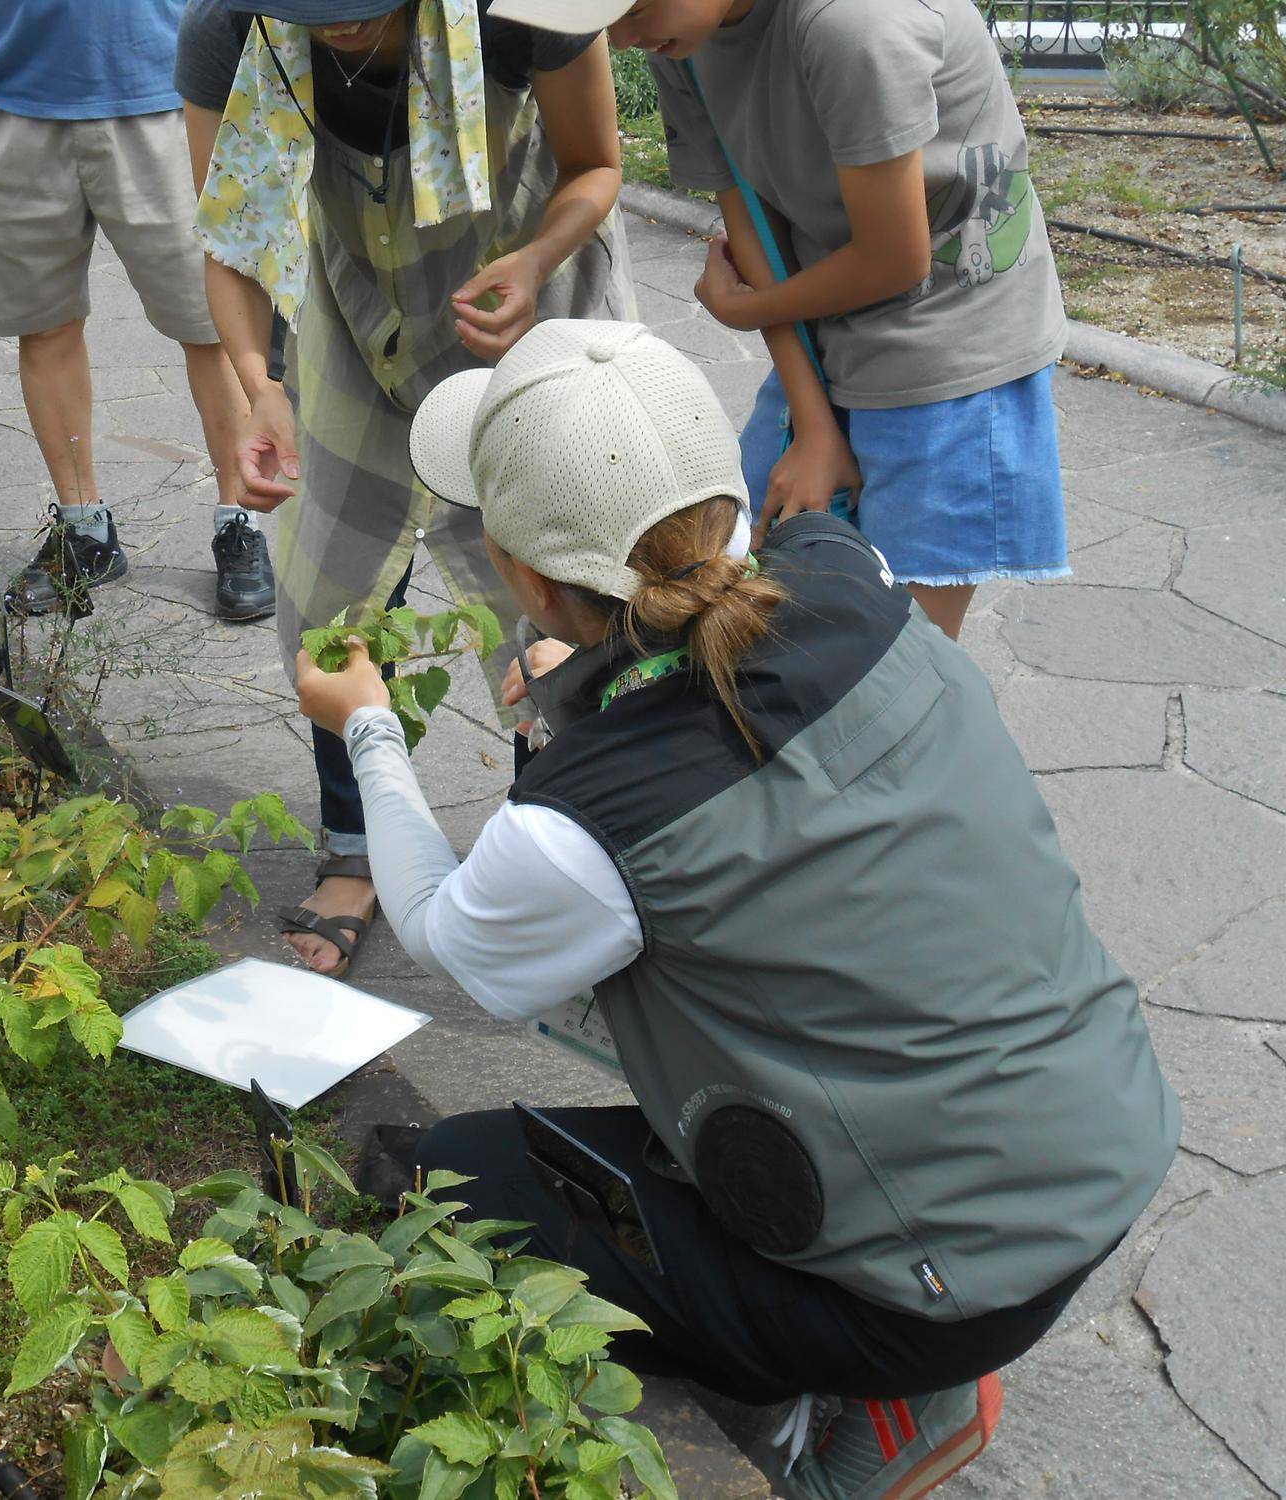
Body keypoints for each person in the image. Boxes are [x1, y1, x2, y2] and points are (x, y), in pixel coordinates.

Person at [294, 319, 1178, 1500]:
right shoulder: (848, 579)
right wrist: (582, 703)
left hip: (943, 1284)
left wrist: (363, 722)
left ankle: (880, 1400)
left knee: (444, 1179)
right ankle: (881, 1339)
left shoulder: (585, 822)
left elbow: (455, 935)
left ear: (524, 577)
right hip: (1101, 1148)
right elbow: (709, 702)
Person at [176, 0, 634, 976]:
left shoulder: (523, 9)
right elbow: (230, 237)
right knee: (327, 599)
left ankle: (553, 851)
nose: (333, 26)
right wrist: (256, 384)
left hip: (524, 309)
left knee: (555, 606)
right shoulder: (231, 32)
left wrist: (537, 255)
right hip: (353, 316)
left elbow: (594, 165)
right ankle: (356, 848)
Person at [518, 0, 1068, 640]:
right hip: (823, 318)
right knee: (737, 572)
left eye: (633, 8)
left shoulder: (852, 23)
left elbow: (896, 259)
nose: (620, 37)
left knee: (894, 650)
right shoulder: (681, 37)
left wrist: (744, 309)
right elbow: (757, 231)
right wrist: (812, 426)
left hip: (953, 351)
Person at [0, 0, 279, 621]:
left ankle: (239, 522)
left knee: (215, 329)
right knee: (45, 328)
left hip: (171, 96)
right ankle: (86, 532)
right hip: (8, 96)